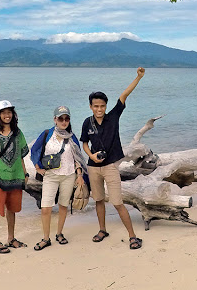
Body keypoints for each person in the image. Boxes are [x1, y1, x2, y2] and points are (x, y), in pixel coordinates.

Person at [80, 67, 145, 250]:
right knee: (99, 200)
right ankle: (102, 230)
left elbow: (124, 96)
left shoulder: (113, 117)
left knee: (117, 202)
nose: (99, 109)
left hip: (110, 166)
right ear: (91, 106)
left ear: (106, 106)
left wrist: (138, 77)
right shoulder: (87, 122)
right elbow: (84, 143)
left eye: (102, 106)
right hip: (93, 167)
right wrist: (91, 155)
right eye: (96, 106)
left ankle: (132, 236)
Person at [30, 105, 88, 251]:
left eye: (66, 118)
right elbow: (34, 150)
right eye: (60, 118)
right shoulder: (47, 134)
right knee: (46, 208)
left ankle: (59, 233)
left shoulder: (72, 136)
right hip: (51, 176)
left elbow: (78, 158)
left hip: (69, 175)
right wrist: (38, 168)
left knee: (63, 206)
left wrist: (79, 175)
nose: (64, 121)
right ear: (55, 119)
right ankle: (45, 238)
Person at [0, 100, 30, 254]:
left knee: (12, 209)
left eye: (9, 112)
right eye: (3, 112)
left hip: (16, 177)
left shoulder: (17, 133)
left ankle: (11, 238)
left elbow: (20, 156)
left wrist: (25, 173)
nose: (7, 115)